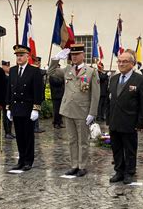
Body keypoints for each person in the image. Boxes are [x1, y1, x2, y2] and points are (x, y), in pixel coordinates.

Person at [48, 44, 100, 177]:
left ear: (83, 55)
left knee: (83, 140)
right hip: (68, 110)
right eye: (72, 55)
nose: (74, 57)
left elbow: (95, 94)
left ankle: (82, 166)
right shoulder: (67, 69)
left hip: (83, 111)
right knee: (72, 140)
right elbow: (51, 72)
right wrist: (55, 59)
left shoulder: (91, 71)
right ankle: (74, 165)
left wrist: (92, 113)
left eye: (77, 54)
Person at [107, 50, 143, 184]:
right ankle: (119, 171)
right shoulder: (113, 79)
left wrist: (140, 122)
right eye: (119, 61)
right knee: (116, 148)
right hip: (114, 120)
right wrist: (108, 118)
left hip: (130, 121)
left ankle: (130, 172)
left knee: (130, 149)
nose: (121, 64)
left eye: (125, 61)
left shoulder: (140, 80)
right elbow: (110, 100)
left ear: (132, 63)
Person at [6, 45, 43, 171]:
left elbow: (38, 91)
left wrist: (36, 108)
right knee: (19, 136)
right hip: (16, 108)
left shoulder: (34, 71)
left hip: (28, 108)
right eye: (17, 56)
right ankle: (21, 159)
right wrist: (8, 107)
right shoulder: (12, 70)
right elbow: (9, 90)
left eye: (21, 55)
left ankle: (28, 160)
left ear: (27, 56)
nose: (19, 58)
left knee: (28, 136)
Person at [1, 60, 15, 139]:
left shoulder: (9, 75)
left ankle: (10, 131)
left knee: (10, 115)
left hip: (10, 98)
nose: (8, 68)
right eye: (6, 66)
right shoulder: (2, 76)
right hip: (4, 99)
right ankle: (7, 132)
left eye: (8, 66)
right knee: (6, 115)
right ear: (3, 66)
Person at [49, 64, 65, 129]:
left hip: (61, 94)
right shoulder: (52, 76)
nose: (58, 69)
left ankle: (60, 122)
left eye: (59, 67)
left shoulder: (60, 76)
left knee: (60, 110)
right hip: (55, 95)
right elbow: (56, 83)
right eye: (57, 67)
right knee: (56, 111)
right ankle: (55, 123)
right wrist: (62, 80)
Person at [33, 56, 46, 133]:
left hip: (40, 94)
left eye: (39, 62)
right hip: (35, 96)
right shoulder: (35, 71)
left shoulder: (38, 70)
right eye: (36, 62)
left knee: (37, 111)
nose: (38, 64)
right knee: (35, 110)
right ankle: (35, 127)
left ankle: (36, 126)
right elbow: (42, 72)